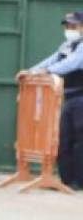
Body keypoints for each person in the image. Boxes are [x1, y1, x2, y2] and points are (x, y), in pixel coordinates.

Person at [17, 10, 83, 189]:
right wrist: (31, 72)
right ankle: (66, 181)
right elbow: (50, 61)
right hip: (69, 98)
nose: (70, 29)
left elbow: (73, 64)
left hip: (80, 99)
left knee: (80, 141)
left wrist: (47, 71)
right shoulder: (67, 45)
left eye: (74, 26)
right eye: (67, 26)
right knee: (64, 140)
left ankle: (79, 181)